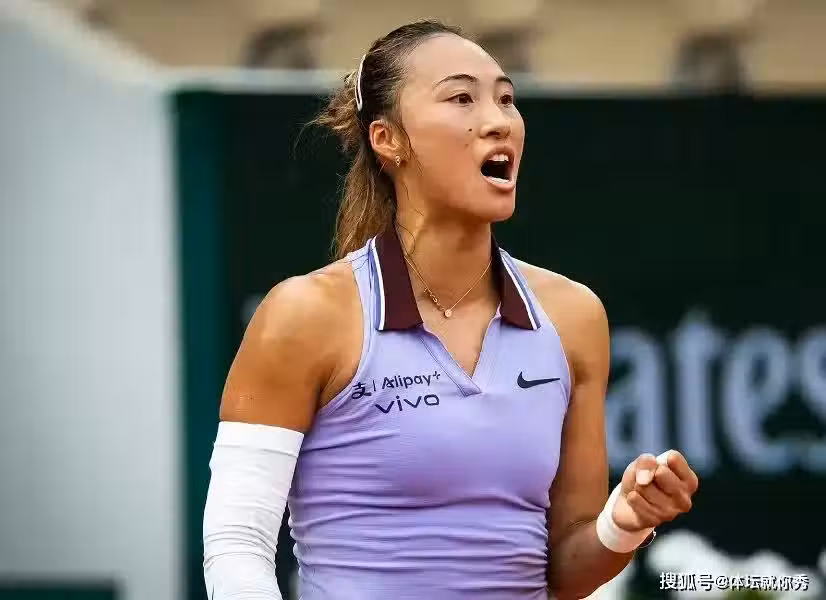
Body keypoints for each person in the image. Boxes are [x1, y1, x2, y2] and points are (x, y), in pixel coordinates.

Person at [202, 19, 700, 600]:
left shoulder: (575, 316)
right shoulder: (304, 314)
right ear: (388, 139)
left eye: (506, 99)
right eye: (462, 98)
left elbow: (565, 571)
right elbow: (237, 543)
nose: (498, 120)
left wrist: (625, 521)